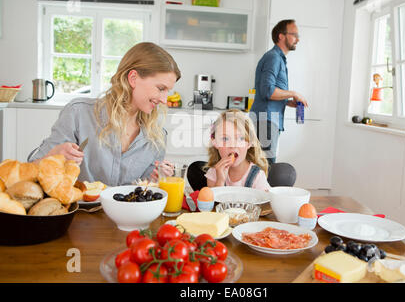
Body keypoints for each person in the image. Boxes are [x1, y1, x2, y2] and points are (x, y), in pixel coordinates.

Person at [28, 42, 181, 186]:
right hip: (78, 213)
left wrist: (155, 178)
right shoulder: (78, 114)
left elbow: (142, 190)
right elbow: (29, 173)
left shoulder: (157, 136)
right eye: (161, 89)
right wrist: (52, 156)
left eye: (168, 91)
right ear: (133, 78)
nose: (164, 100)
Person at [250, 19, 309, 165]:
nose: (298, 39)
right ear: (281, 36)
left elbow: (270, 93)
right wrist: (293, 93)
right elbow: (268, 91)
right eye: (294, 34)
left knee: (262, 166)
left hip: (268, 119)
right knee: (265, 167)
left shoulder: (278, 59)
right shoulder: (274, 58)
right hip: (266, 120)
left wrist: (288, 102)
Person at [204, 109, 270, 191]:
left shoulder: (258, 177)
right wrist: (220, 181)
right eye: (225, 138)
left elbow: (264, 203)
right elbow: (214, 203)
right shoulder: (213, 173)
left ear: (249, 142)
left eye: (240, 138)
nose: (233, 145)